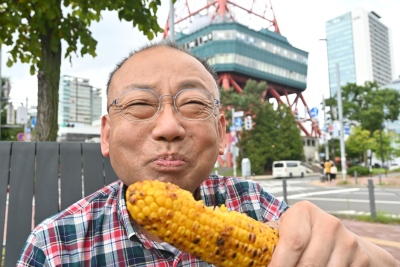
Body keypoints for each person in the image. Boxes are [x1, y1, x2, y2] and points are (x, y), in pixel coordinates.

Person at [17, 39, 396, 266]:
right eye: (139, 104)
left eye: (194, 103)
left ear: (219, 131)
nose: (168, 128)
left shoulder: (255, 207)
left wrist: (361, 254)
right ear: (106, 134)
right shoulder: (55, 246)